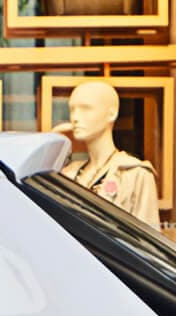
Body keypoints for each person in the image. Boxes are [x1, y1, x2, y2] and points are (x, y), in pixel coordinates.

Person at [54, 80, 161, 228]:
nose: (75, 117)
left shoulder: (135, 174)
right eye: (72, 109)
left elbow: (148, 241)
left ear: (111, 113)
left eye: (86, 108)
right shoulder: (69, 173)